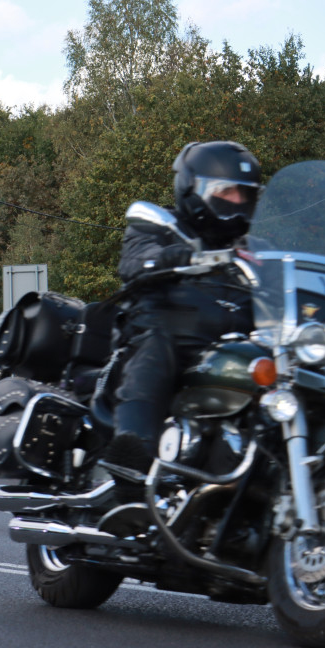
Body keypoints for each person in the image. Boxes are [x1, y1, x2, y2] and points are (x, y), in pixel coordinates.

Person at [103, 140, 261, 500]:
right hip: (166, 333)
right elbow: (134, 262)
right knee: (156, 345)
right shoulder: (158, 224)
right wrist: (174, 257)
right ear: (192, 188)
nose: (236, 202)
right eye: (226, 192)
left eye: (245, 195)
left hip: (229, 345)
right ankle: (132, 453)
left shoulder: (254, 248)